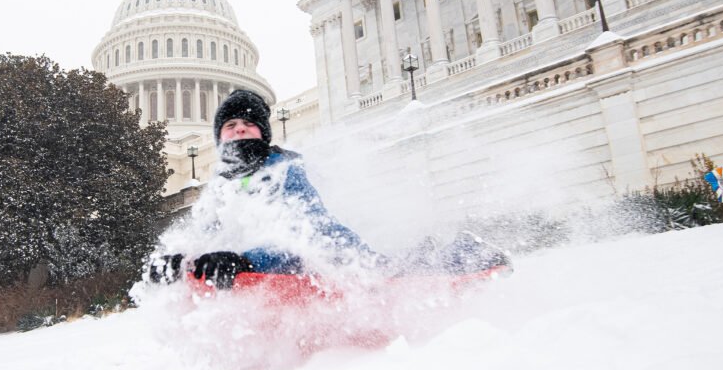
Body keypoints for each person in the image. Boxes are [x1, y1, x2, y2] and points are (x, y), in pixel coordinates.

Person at [149, 90, 510, 288]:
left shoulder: (286, 170)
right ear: (218, 137)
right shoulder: (220, 190)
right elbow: (205, 234)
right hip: (275, 273)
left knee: (402, 274)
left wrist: (245, 260)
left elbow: (302, 238)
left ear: (264, 132)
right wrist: (181, 260)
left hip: (338, 259)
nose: (239, 129)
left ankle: (466, 252)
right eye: (230, 125)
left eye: (248, 123)